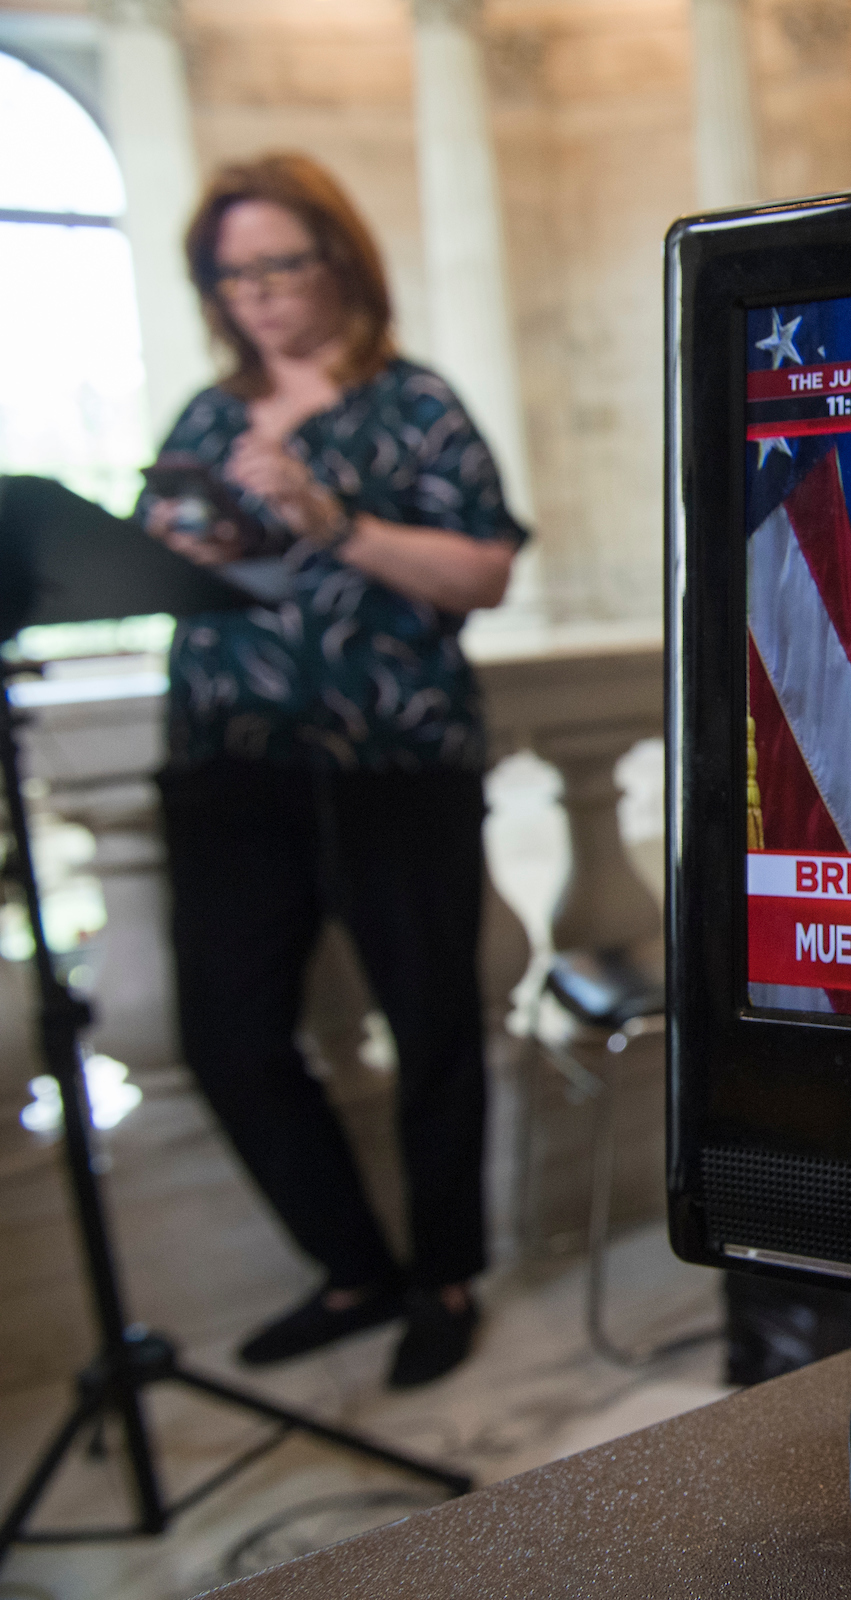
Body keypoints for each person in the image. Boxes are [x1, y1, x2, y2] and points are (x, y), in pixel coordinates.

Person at [139, 153, 524, 1388]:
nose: (253, 294)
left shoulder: (413, 403)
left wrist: (333, 520)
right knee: (228, 1035)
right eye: (229, 273)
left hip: (394, 763)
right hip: (228, 770)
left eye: (276, 265)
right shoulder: (203, 418)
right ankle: (356, 1265)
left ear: (338, 263)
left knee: (430, 1027)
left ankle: (447, 1275)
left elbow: (483, 573)